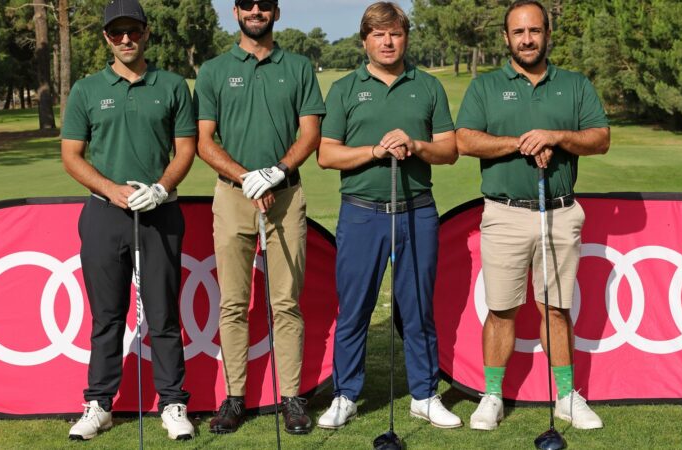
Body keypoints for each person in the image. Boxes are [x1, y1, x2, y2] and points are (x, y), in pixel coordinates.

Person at [455, 0, 610, 431]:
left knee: (556, 308)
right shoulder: (485, 87)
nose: (527, 39)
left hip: (559, 212)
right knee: (501, 308)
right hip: (504, 213)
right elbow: (466, 140)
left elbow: (600, 138)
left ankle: (565, 397)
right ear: (506, 38)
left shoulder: (574, 84)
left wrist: (556, 136)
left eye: (535, 31)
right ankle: (492, 395)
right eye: (518, 32)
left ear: (547, 34)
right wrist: (523, 142)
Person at [316, 1, 461, 430]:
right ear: (365, 41)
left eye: (395, 33)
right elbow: (327, 154)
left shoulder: (428, 86)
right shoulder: (345, 88)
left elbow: (450, 149)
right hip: (362, 214)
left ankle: (424, 394)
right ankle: (345, 394)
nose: (387, 41)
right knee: (355, 309)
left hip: (416, 210)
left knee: (418, 309)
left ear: (406, 38)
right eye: (378, 34)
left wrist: (415, 146)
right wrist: (375, 152)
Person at [60, 0, 196, 441]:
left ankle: (173, 403)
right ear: (106, 37)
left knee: (163, 314)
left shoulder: (173, 85)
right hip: (104, 214)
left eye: (132, 31)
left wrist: (160, 187)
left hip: (160, 212)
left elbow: (186, 149)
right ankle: (98, 404)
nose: (125, 39)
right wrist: (111, 189)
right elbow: (72, 156)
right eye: (116, 32)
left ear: (146, 33)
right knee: (106, 316)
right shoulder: (85, 89)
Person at [193, 0, 325, 436]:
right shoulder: (212, 71)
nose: (256, 10)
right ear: (235, 13)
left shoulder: (299, 66)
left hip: (286, 195)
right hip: (233, 197)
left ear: (276, 12)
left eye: (264, 5)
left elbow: (310, 132)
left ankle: (291, 397)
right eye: (247, 4)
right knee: (233, 303)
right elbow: (205, 142)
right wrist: (246, 177)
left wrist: (277, 172)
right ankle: (235, 398)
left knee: (285, 302)